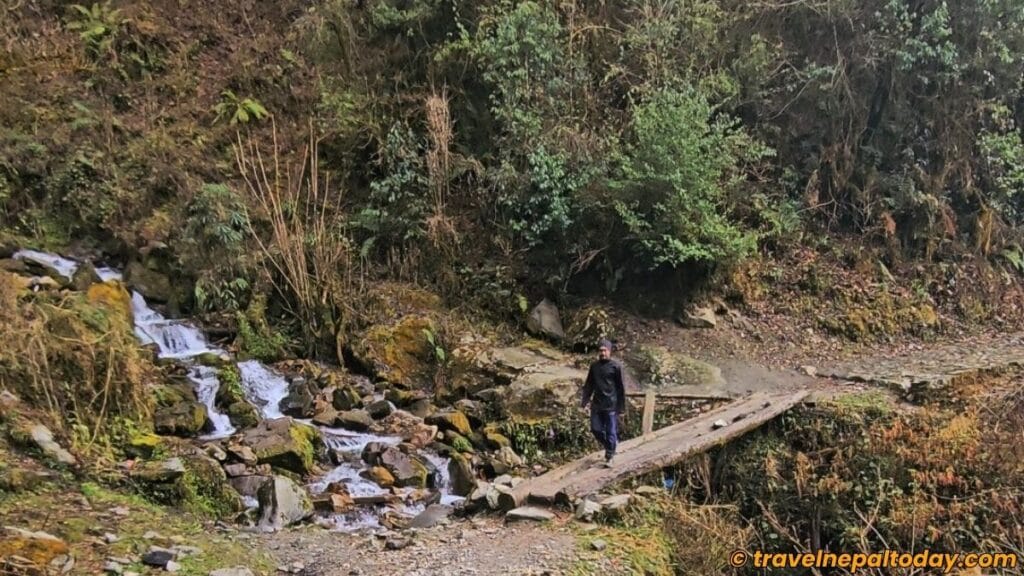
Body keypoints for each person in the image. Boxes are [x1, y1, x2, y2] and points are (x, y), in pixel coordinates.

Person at [581, 339, 626, 468]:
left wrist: (621, 408)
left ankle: (609, 456)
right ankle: (610, 445)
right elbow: (589, 384)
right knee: (595, 429)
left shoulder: (616, 367)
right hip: (597, 404)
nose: (602, 353)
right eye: (600, 351)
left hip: (611, 404)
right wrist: (584, 402)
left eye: (605, 351)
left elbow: (621, 388)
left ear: (609, 351)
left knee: (611, 431)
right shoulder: (594, 366)